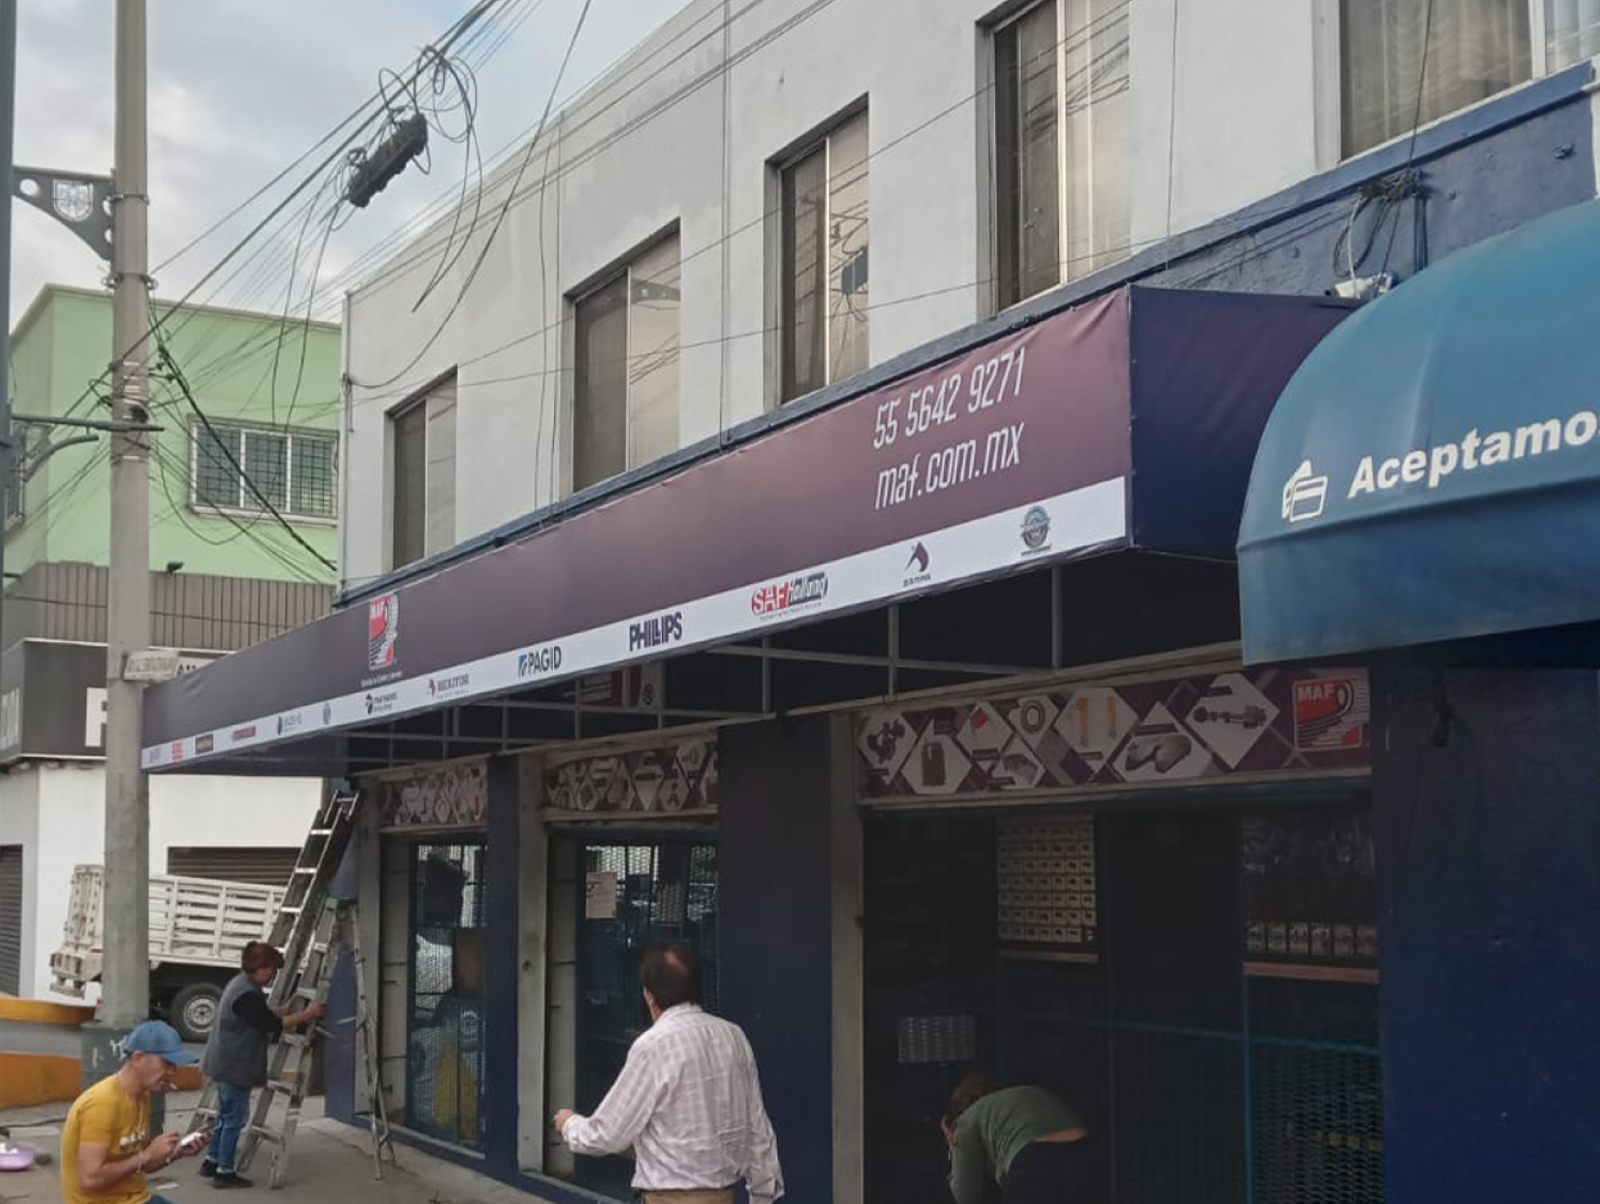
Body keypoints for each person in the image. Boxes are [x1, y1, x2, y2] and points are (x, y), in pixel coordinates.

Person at [552, 944, 784, 1204]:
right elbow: (758, 1127)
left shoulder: (652, 1046)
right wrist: (762, 1195)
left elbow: (607, 1134)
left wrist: (569, 1124)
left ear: (649, 996)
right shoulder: (734, 1036)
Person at [198, 941, 325, 1189]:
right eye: (271, 970)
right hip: (235, 1064)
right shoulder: (247, 993)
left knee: (225, 1115)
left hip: (225, 1062)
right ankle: (224, 1172)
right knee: (235, 1117)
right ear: (260, 967)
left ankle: (212, 1161)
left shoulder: (241, 985)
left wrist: (283, 1010)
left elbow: (261, 1016)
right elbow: (269, 1025)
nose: (272, 975)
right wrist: (308, 1014)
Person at [60, 1020, 210, 1204]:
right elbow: (89, 1179)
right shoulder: (102, 1103)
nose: (172, 1072)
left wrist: (176, 1153)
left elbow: (142, 1166)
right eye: (167, 1063)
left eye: (174, 1066)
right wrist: (146, 1155)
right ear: (138, 1058)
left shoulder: (143, 1096)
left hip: (136, 1198)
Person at [942, 1071, 1095, 1204]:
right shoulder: (1017, 1097)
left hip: (1035, 1159)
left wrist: (954, 1148)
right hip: (1084, 1153)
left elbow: (966, 1196)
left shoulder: (965, 1122)